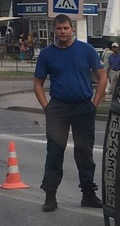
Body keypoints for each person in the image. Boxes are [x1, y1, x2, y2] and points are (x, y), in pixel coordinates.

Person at [33, 14, 108, 212]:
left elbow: (102, 76)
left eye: (66, 28)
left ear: (72, 28)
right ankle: (50, 196)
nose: (62, 32)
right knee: (55, 152)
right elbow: (38, 83)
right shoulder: (47, 54)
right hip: (58, 108)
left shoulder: (86, 50)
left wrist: (95, 103)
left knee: (84, 152)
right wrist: (46, 107)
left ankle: (88, 194)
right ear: (54, 30)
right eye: (59, 29)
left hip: (83, 107)